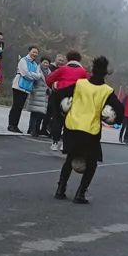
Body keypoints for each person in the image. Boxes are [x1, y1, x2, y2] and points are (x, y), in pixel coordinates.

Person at [51, 56, 123, 204]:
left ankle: (60, 190)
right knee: (91, 163)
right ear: (105, 73)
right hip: (90, 131)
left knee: (70, 158)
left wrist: (60, 114)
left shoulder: (80, 84)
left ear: (92, 70)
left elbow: (58, 94)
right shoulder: (107, 91)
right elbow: (120, 109)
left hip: (72, 127)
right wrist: (115, 119)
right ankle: (80, 194)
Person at [46, 50, 88, 152]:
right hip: (75, 98)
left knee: (57, 118)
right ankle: (65, 143)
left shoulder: (62, 69)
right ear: (79, 60)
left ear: (68, 59)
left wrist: (54, 85)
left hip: (59, 95)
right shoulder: (84, 72)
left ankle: (55, 142)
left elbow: (49, 79)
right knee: (70, 121)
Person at [8, 45, 43, 132]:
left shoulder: (35, 64)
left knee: (20, 107)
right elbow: (24, 73)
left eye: (36, 53)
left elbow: (38, 76)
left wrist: (31, 74)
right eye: (33, 52)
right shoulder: (23, 60)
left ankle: (15, 125)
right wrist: (32, 75)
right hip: (18, 86)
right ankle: (11, 124)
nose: (35, 54)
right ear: (29, 51)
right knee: (16, 106)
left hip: (27, 88)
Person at [26, 59, 51, 137]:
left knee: (40, 114)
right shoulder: (36, 69)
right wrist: (32, 89)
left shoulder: (49, 72)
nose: (46, 64)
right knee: (34, 113)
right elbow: (32, 80)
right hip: (36, 93)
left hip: (44, 95)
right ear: (41, 62)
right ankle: (31, 129)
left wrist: (49, 90)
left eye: (47, 63)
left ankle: (36, 129)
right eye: (44, 62)